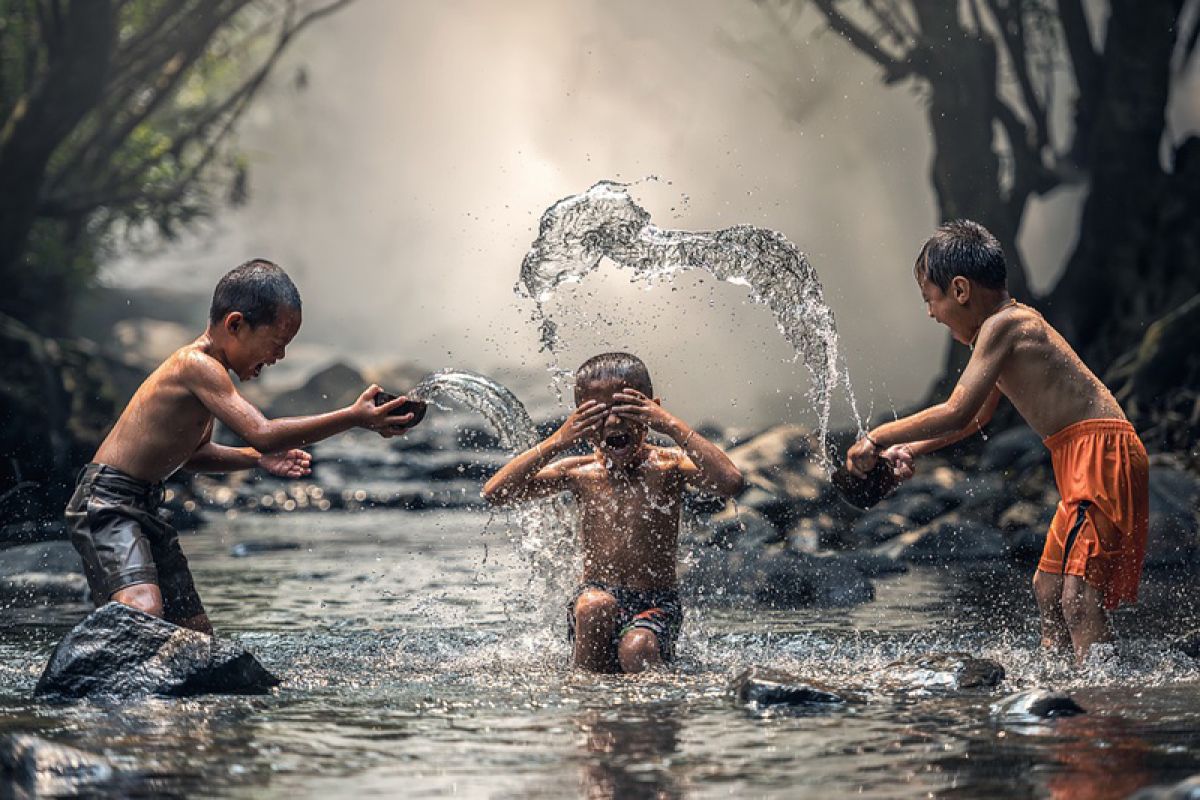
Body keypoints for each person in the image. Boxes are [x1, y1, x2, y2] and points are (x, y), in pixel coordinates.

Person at [845, 220, 1149, 663]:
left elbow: (957, 410)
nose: (931, 313)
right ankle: (1058, 685)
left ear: (961, 290)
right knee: (1048, 589)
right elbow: (975, 419)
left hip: (1101, 455)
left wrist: (875, 437)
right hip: (1082, 457)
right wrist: (911, 449)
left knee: (1079, 597)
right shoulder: (1001, 332)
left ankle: (1102, 704)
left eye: (931, 299)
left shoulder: (1006, 325)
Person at [66, 259, 419, 634]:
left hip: (144, 505)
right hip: (108, 502)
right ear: (235, 324)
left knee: (195, 633)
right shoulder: (195, 365)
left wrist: (255, 459)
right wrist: (352, 416)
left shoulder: (211, 378)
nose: (279, 357)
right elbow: (263, 432)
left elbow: (195, 455)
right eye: (277, 343)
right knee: (144, 610)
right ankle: (84, 671)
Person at [482, 353, 743, 673]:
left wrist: (672, 425)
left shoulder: (669, 466)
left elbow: (730, 482)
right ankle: (585, 701)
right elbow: (496, 493)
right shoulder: (579, 472)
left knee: (638, 649)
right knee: (595, 606)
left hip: (656, 604)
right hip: (593, 599)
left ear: (651, 410)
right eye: (596, 414)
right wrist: (558, 440)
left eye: (624, 409)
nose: (613, 423)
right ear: (578, 420)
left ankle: (650, 714)